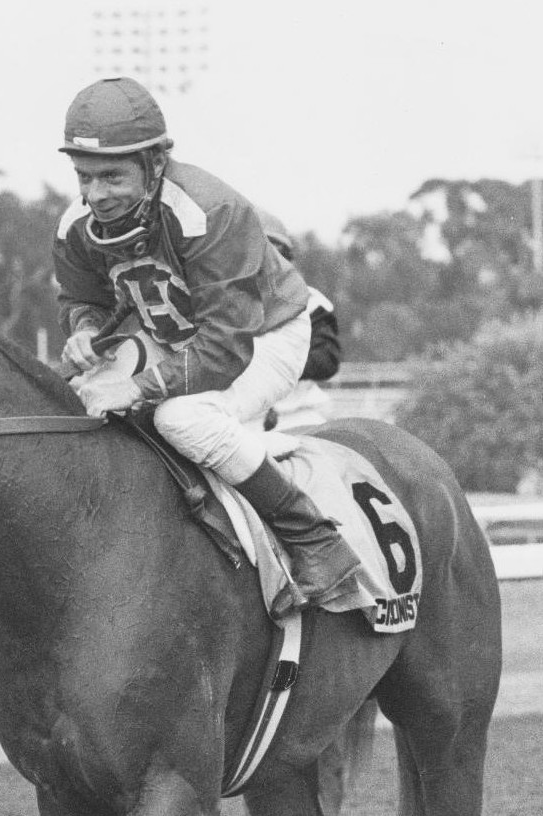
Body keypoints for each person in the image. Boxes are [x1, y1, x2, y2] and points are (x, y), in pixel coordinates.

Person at [54, 77, 360, 616]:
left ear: (154, 163)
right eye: (84, 177)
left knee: (182, 419)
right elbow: (84, 300)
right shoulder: (75, 226)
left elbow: (223, 348)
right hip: (175, 336)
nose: (96, 194)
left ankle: (317, 542)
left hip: (265, 335)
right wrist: (84, 332)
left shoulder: (211, 211)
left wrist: (137, 386)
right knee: (85, 400)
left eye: (112, 176)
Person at [258, 209, 340, 431]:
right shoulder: (221, 300)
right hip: (236, 416)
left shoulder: (312, 302)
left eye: (274, 253)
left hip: (296, 414)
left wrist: (272, 364)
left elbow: (327, 360)